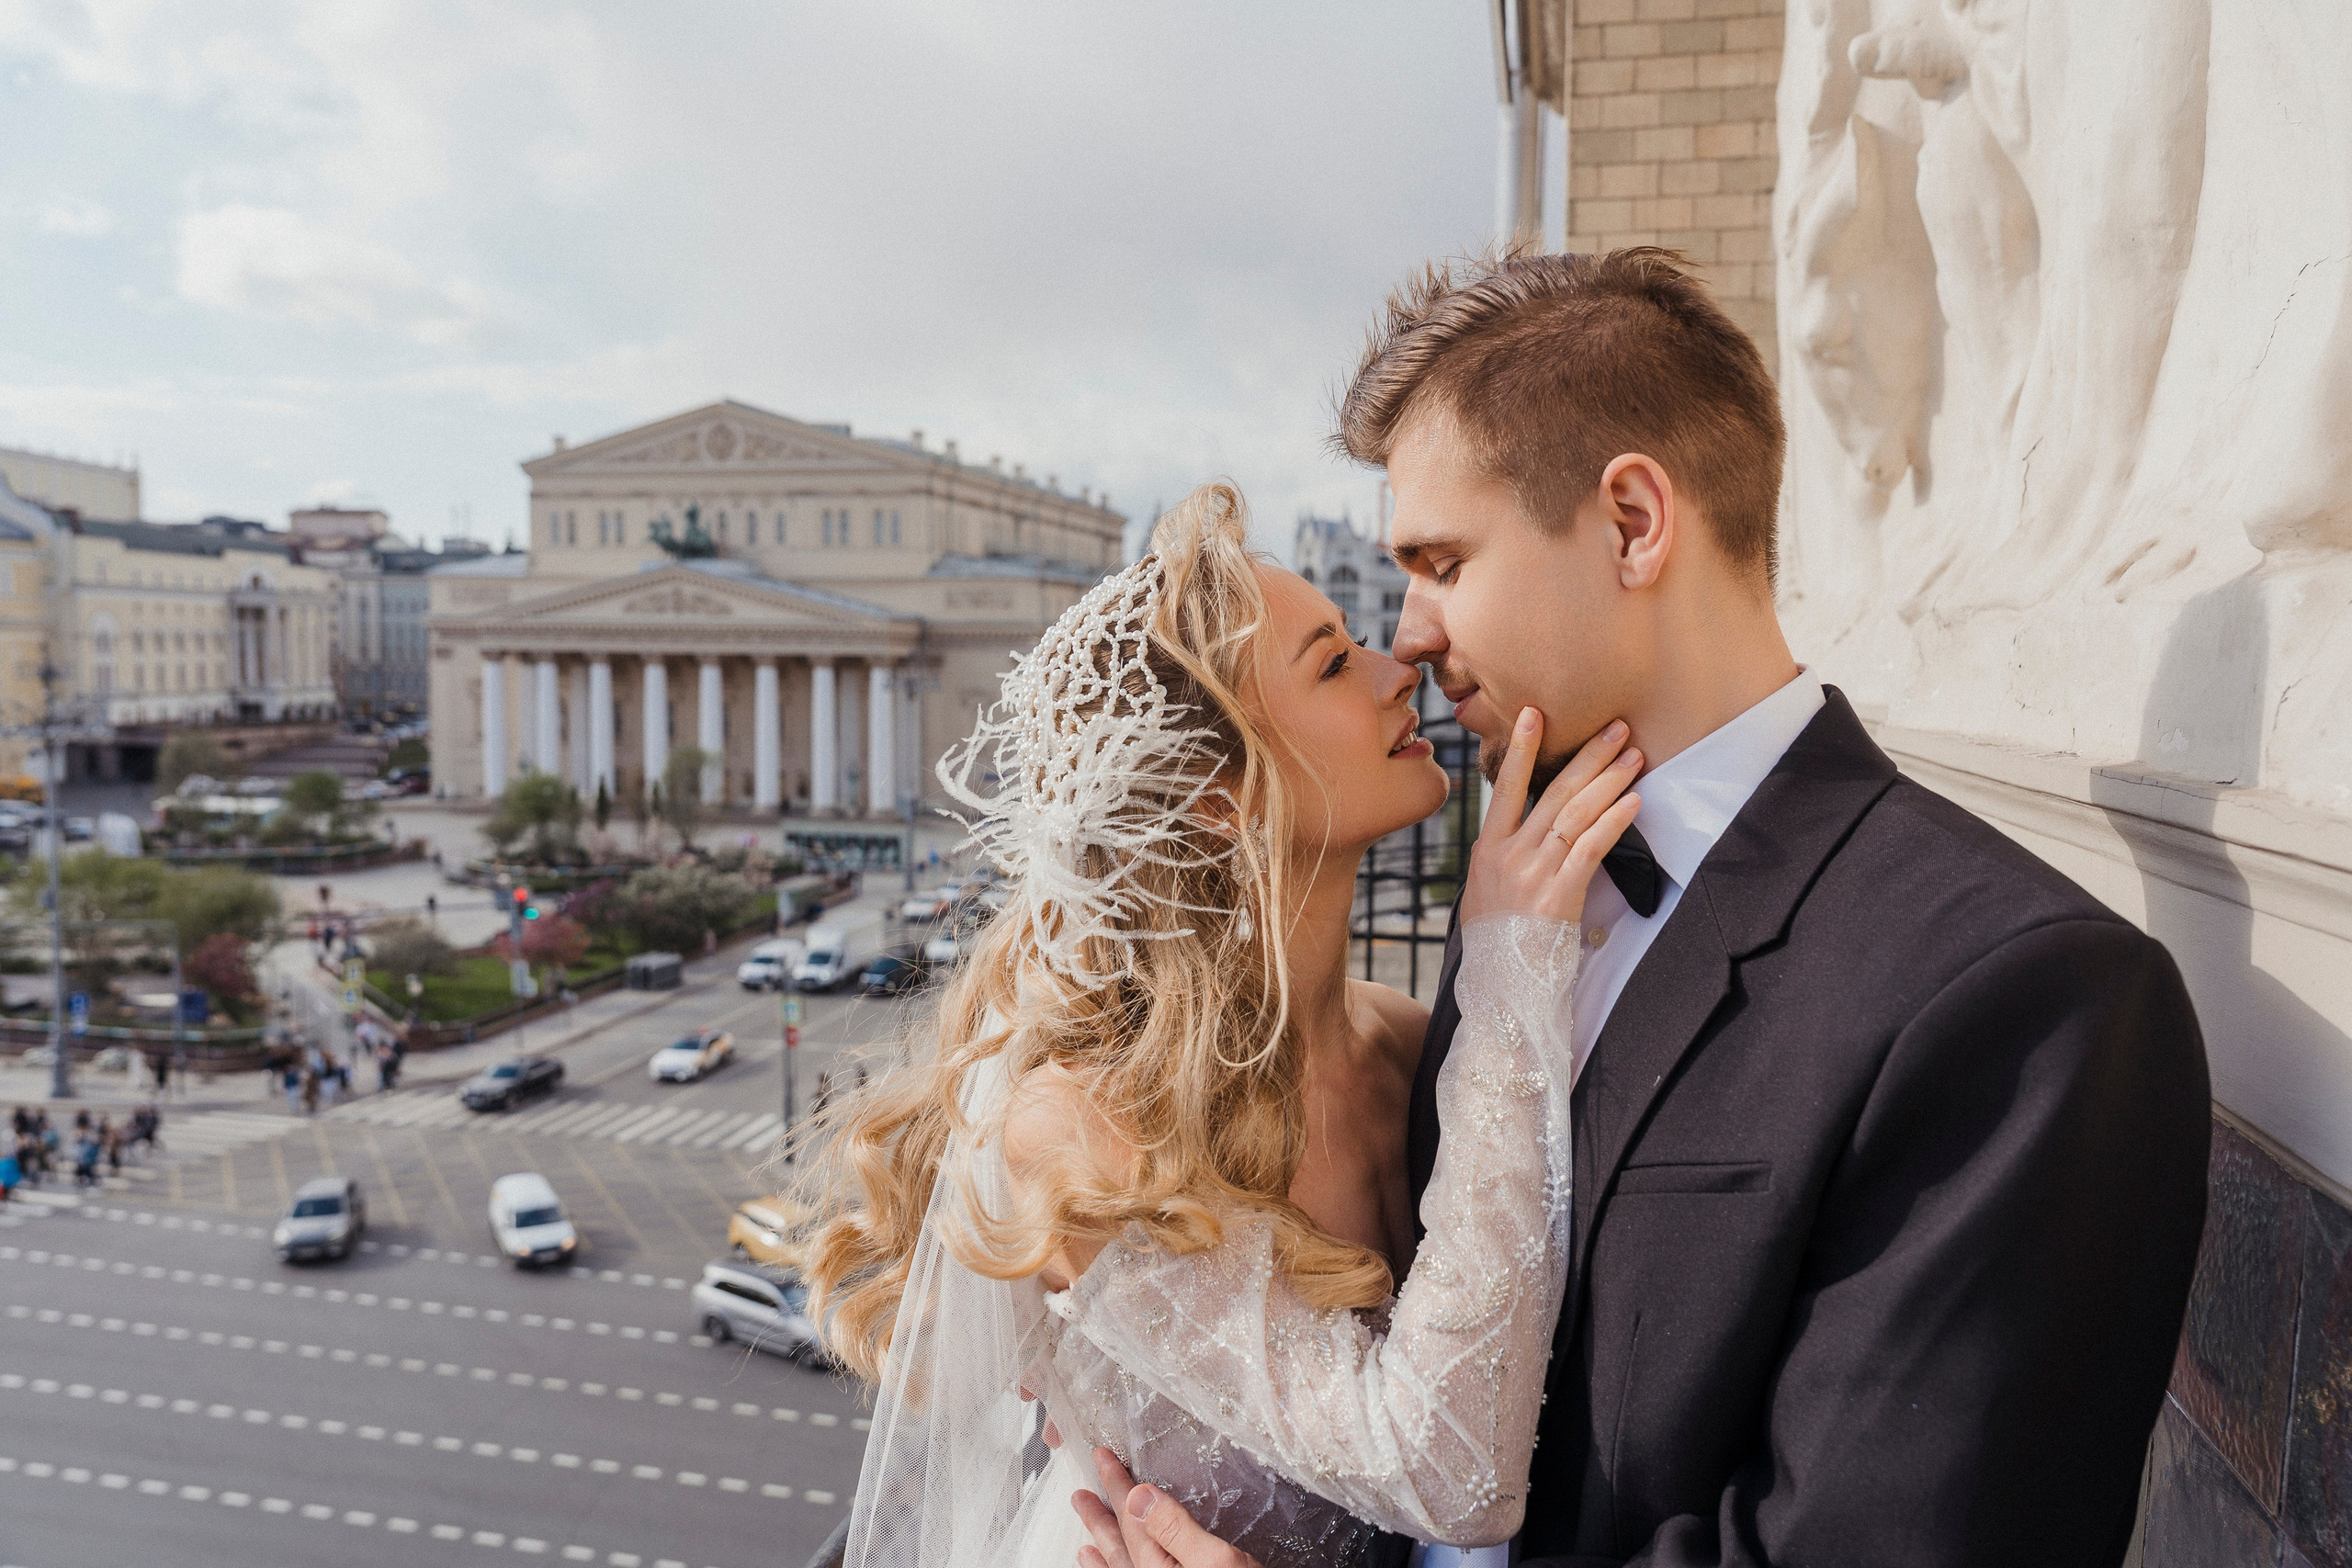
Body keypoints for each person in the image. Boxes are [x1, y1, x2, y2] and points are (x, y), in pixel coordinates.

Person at [1068, 252, 2211, 1568]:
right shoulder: (1514, 898)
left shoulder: (2022, 997)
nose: (1414, 635)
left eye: (1441, 561)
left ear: (1631, 522)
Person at [806, 485, 1640, 1568]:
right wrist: (1513, 954)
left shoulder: (1405, 1040)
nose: (1404, 667)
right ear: (1216, 796)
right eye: (1334, 663)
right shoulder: (1087, 1127)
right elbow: (1453, 1473)